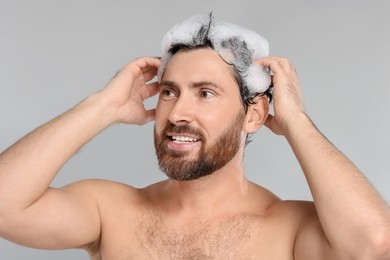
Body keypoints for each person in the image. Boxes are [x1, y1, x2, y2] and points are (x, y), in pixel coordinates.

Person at [0, 14, 389, 260]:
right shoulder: (112, 212)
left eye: (205, 93)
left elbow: (373, 245)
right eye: (170, 91)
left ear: (252, 114)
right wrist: (102, 106)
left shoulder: (288, 229)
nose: (178, 112)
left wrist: (296, 121)